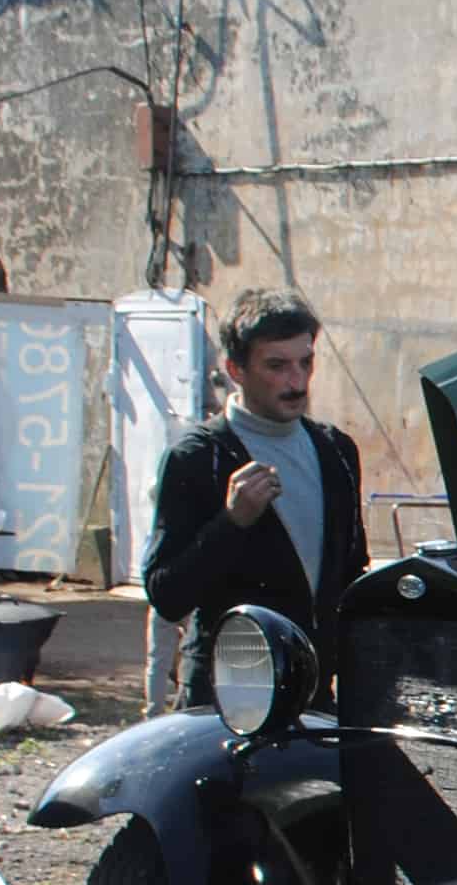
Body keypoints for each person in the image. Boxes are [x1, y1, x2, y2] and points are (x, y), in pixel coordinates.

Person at [144, 290, 366, 707]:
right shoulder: (198, 457)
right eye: (277, 366)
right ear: (236, 370)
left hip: (312, 693)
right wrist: (231, 524)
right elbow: (166, 594)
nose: (296, 381)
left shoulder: (336, 451)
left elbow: (352, 572)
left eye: (306, 362)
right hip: (224, 698)